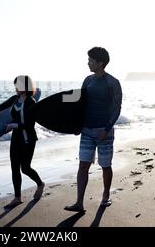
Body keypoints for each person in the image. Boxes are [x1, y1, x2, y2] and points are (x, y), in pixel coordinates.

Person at [64, 47, 122, 212]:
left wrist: (107, 128)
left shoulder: (112, 82)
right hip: (87, 130)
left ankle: (105, 196)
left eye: (91, 60)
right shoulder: (88, 80)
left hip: (104, 131)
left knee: (105, 165)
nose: (88, 63)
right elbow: (79, 103)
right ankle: (79, 203)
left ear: (100, 63)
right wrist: (75, 125)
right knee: (83, 165)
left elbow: (117, 108)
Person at [0, 75, 45, 209]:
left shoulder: (31, 102)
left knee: (25, 168)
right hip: (16, 139)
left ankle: (40, 184)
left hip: (28, 139)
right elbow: (0, 108)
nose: (15, 88)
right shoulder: (15, 99)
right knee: (14, 167)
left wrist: (13, 126)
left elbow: (30, 124)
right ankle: (17, 198)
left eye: (17, 85)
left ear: (24, 86)